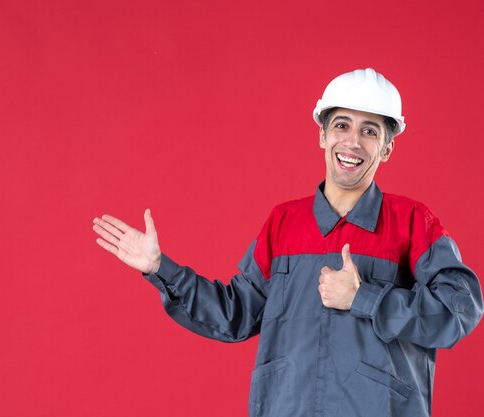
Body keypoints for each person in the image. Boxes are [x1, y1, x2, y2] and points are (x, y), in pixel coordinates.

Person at [92, 68, 483, 417]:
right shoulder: (284, 223)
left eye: (369, 131)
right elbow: (236, 314)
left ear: (387, 147)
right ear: (322, 135)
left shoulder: (413, 222)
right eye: (342, 126)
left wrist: (364, 297)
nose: (352, 142)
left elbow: (461, 309)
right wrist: (160, 268)